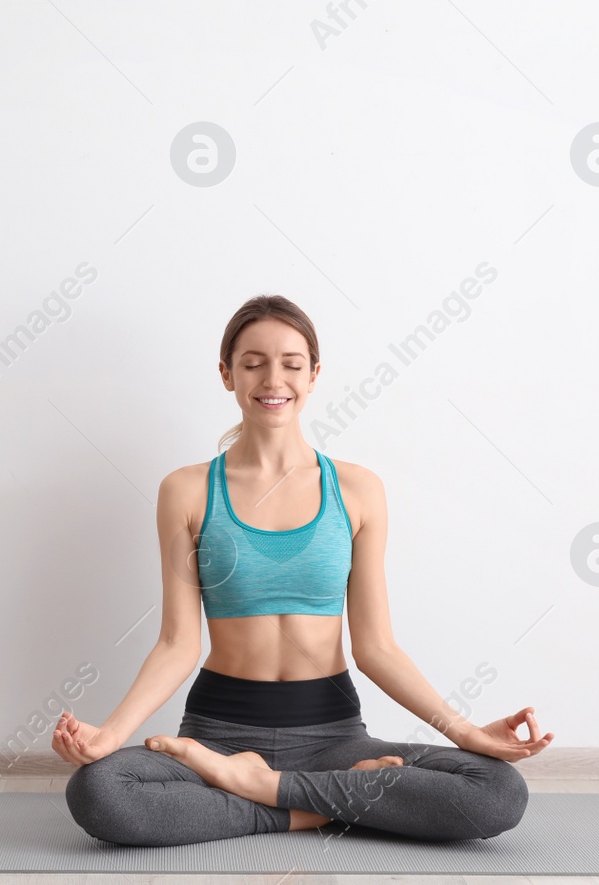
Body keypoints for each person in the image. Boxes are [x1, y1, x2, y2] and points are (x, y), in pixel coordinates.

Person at [57, 294, 553, 845]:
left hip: (333, 738)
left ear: (314, 375)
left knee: (496, 790)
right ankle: (311, 805)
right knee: (99, 792)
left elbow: (377, 648)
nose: (274, 379)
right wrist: (110, 735)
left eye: (292, 364)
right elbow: (177, 643)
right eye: (253, 363)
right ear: (227, 373)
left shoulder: (358, 490)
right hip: (217, 733)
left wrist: (466, 732)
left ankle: (252, 790)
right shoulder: (188, 491)